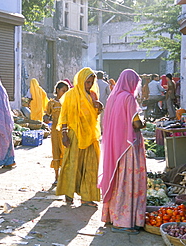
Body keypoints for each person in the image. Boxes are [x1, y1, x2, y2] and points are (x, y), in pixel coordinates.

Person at [99, 69, 146, 235]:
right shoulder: (129, 98)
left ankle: (112, 216)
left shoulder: (113, 97)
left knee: (117, 179)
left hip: (115, 147)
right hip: (128, 147)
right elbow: (136, 124)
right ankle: (125, 219)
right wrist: (143, 122)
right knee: (128, 181)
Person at [55, 67, 102, 207]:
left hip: (90, 135)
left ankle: (87, 197)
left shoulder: (93, 94)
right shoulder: (71, 95)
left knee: (91, 165)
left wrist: (99, 107)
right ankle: (68, 194)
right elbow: (64, 117)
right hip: (75, 135)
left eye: (91, 82)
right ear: (81, 81)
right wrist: (64, 135)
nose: (89, 85)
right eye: (87, 82)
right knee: (72, 164)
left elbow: (95, 115)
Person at [44, 81, 69, 186]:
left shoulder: (68, 103)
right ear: (57, 90)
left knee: (65, 152)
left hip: (65, 132)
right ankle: (56, 177)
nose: (64, 93)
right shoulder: (52, 103)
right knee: (55, 151)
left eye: (66, 91)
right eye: (63, 91)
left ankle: (65, 176)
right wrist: (46, 118)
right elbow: (46, 115)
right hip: (54, 131)